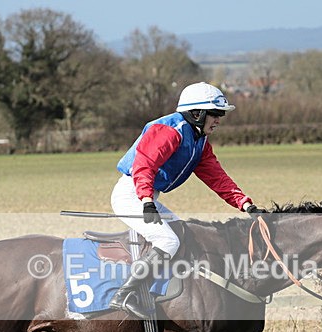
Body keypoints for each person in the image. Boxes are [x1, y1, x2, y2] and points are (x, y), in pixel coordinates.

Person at [109, 81, 263, 319]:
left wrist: (245, 203)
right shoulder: (169, 130)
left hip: (146, 194)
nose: (219, 120)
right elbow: (144, 166)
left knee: (182, 233)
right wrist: (147, 199)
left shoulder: (199, 142)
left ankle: (165, 292)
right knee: (168, 241)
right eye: (215, 114)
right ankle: (124, 295)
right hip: (133, 193)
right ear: (197, 113)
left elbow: (217, 177)